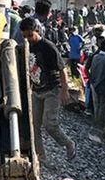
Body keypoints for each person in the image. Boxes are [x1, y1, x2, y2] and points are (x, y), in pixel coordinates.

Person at [18, 17, 77, 161]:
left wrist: (64, 90)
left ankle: (68, 144)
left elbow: (62, 69)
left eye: (30, 35)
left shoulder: (48, 46)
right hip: (37, 90)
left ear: (36, 31)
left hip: (52, 90)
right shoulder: (26, 48)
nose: (28, 39)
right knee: (34, 125)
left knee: (49, 123)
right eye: (25, 36)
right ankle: (41, 156)